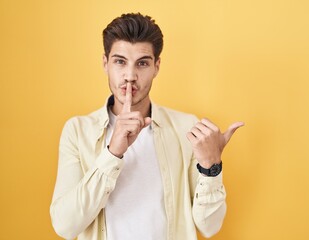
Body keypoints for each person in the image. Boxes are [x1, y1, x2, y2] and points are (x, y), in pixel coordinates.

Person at [50, 13, 244, 240]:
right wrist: (113, 153)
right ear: (105, 63)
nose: (130, 76)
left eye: (142, 63)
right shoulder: (77, 131)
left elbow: (210, 227)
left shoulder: (186, 128)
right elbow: (64, 226)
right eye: (120, 61)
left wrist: (212, 168)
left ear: (156, 66)